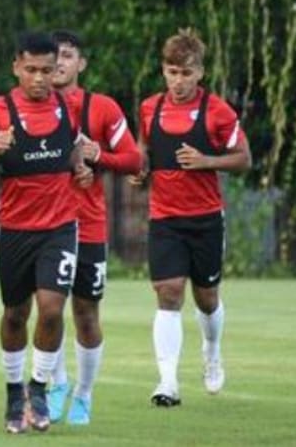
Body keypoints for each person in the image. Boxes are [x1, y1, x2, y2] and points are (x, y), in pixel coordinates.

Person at [0, 31, 92, 434]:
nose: (39, 78)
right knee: (16, 314)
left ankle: (38, 388)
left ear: (57, 70)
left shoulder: (68, 108)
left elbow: (72, 147)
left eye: (47, 71)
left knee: (52, 308)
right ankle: (12, 391)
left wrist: (80, 166)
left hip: (59, 226)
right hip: (16, 229)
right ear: (16, 67)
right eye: (31, 70)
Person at [132, 28, 250, 407]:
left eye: (186, 73)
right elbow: (143, 149)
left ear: (200, 72)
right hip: (165, 218)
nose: (178, 81)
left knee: (207, 298)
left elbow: (244, 159)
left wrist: (207, 161)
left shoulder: (217, 111)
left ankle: (212, 350)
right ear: (163, 71)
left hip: (205, 220)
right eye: (171, 72)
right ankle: (167, 382)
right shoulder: (150, 108)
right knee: (168, 294)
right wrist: (140, 168)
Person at [46, 29, 142, 425]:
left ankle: (84, 393)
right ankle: (56, 383)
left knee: (86, 313)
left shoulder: (101, 108)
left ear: (81, 63)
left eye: (67, 55)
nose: (59, 63)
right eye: (54, 56)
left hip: (87, 227)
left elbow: (134, 159)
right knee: (49, 311)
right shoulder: (26, 108)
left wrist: (98, 155)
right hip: (45, 227)